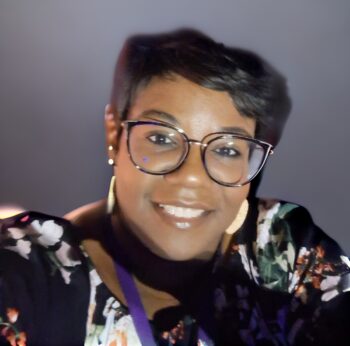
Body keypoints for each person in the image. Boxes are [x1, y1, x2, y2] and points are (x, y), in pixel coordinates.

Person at [0, 29, 349, 346]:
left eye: (227, 149)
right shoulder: (32, 270)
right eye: (161, 138)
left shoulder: (279, 251)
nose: (192, 176)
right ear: (114, 134)